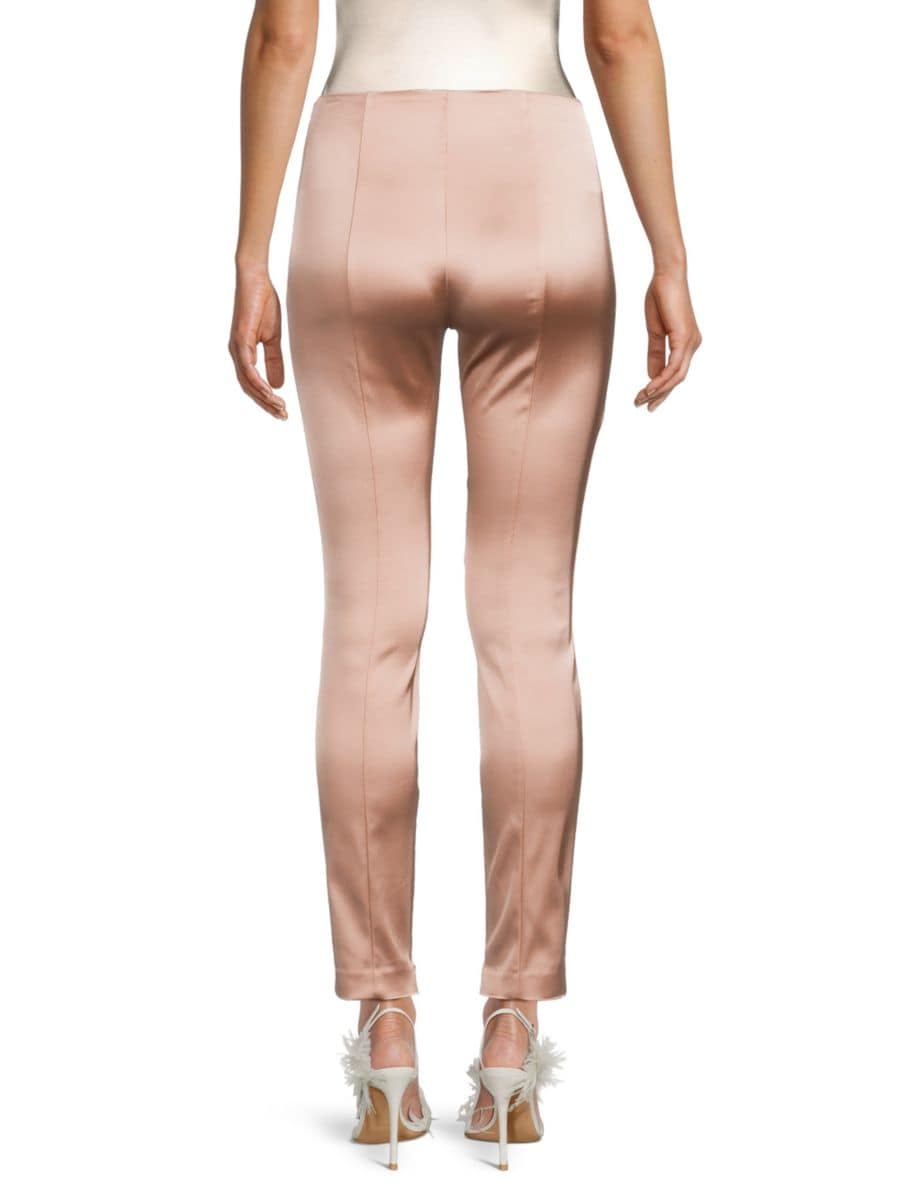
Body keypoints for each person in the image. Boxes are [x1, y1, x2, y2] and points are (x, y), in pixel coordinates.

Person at [229, 0, 701, 1170]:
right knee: (528, 623)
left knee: (368, 624)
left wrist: (248, 255)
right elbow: (619, 37)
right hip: (535, 175)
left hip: (359, 174)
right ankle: (509, 1039)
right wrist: (671, 254)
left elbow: (285, 35)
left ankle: (385, 1031)